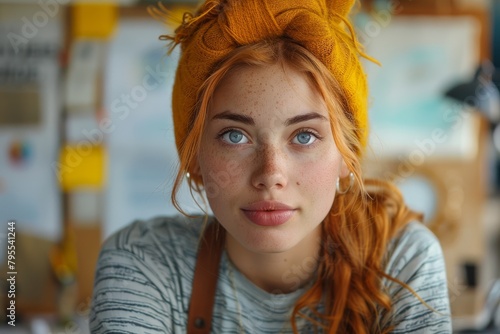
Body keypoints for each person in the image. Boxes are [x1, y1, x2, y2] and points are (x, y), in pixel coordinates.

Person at [90, 0, 452, 333]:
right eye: (234, 136)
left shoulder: (400, 263)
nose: (271, 175)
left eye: (305, 136)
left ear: (347, 156)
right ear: (194, 156)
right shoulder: (142, 263)